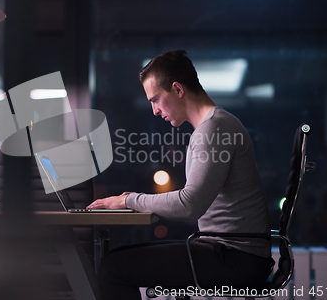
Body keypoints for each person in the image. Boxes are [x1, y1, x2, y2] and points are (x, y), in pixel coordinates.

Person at [86, 50, 274, 300]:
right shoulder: (215, 126)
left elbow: (190, 204)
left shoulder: (214, 129)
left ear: (177, 89)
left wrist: (128, 200)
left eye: (155, 99)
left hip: (234, 259)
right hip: (233, 253)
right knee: (114, 261)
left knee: (113, 269)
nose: (154, 110)